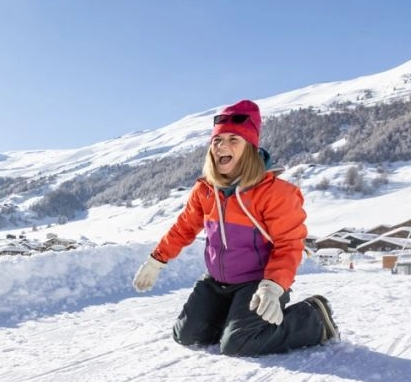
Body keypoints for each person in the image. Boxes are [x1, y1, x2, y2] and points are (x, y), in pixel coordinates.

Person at [131, 99, 339, 356]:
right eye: (217, 140)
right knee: (185, 334)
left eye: (233, 140)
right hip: (217, 282)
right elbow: (184, 228)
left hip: (258, 283)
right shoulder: (205, 190)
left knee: (239, 344)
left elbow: (289, 244)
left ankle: (314, 318)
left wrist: (273, 286)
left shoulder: (275, 193)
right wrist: (156, 260)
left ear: (249, 148)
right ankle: (234, 319)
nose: (222, 146)